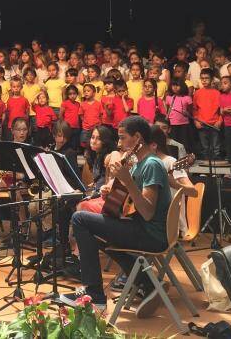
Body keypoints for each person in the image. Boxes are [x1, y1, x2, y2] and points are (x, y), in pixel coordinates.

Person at [64, 116, 171, 316]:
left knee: (80, 219)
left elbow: (147, 213)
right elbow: (132, 203)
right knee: (97, 234)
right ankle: (147, 284)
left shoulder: (151, 164)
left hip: (151, 234)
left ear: (137, 137)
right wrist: (112, 192)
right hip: (141, 227)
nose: (119, 144)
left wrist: (127, 181)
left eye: (123, 138)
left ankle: (95, 295)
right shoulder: (139, 163)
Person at [193, 69, 221, 159]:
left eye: (207, 78)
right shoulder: (197, 93)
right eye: (202, 78)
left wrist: (219, 121)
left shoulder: (217, 93)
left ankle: (216, 170)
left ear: (212, 79)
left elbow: (221, 110)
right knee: (205, 148)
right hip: (202, 124)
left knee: (215, 147)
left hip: (214, 123)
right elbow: (194, 109)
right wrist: (196, 121)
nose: (204, 80)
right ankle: (206, 169)